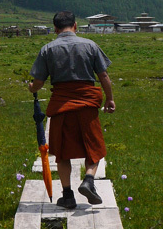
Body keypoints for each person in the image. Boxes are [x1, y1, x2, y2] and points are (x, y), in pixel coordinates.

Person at [28, 11, 115, 209]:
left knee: (62, 152)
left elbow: (38, 82)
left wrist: (31, 88)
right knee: (94, 146)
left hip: (62, 105)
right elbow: (103, 76)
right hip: (87, 104)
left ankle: (67, 196)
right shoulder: (90, 45)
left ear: (56, 29)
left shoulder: (47, 50)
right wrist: (109, 99)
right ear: (75, 26)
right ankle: (89, 181)